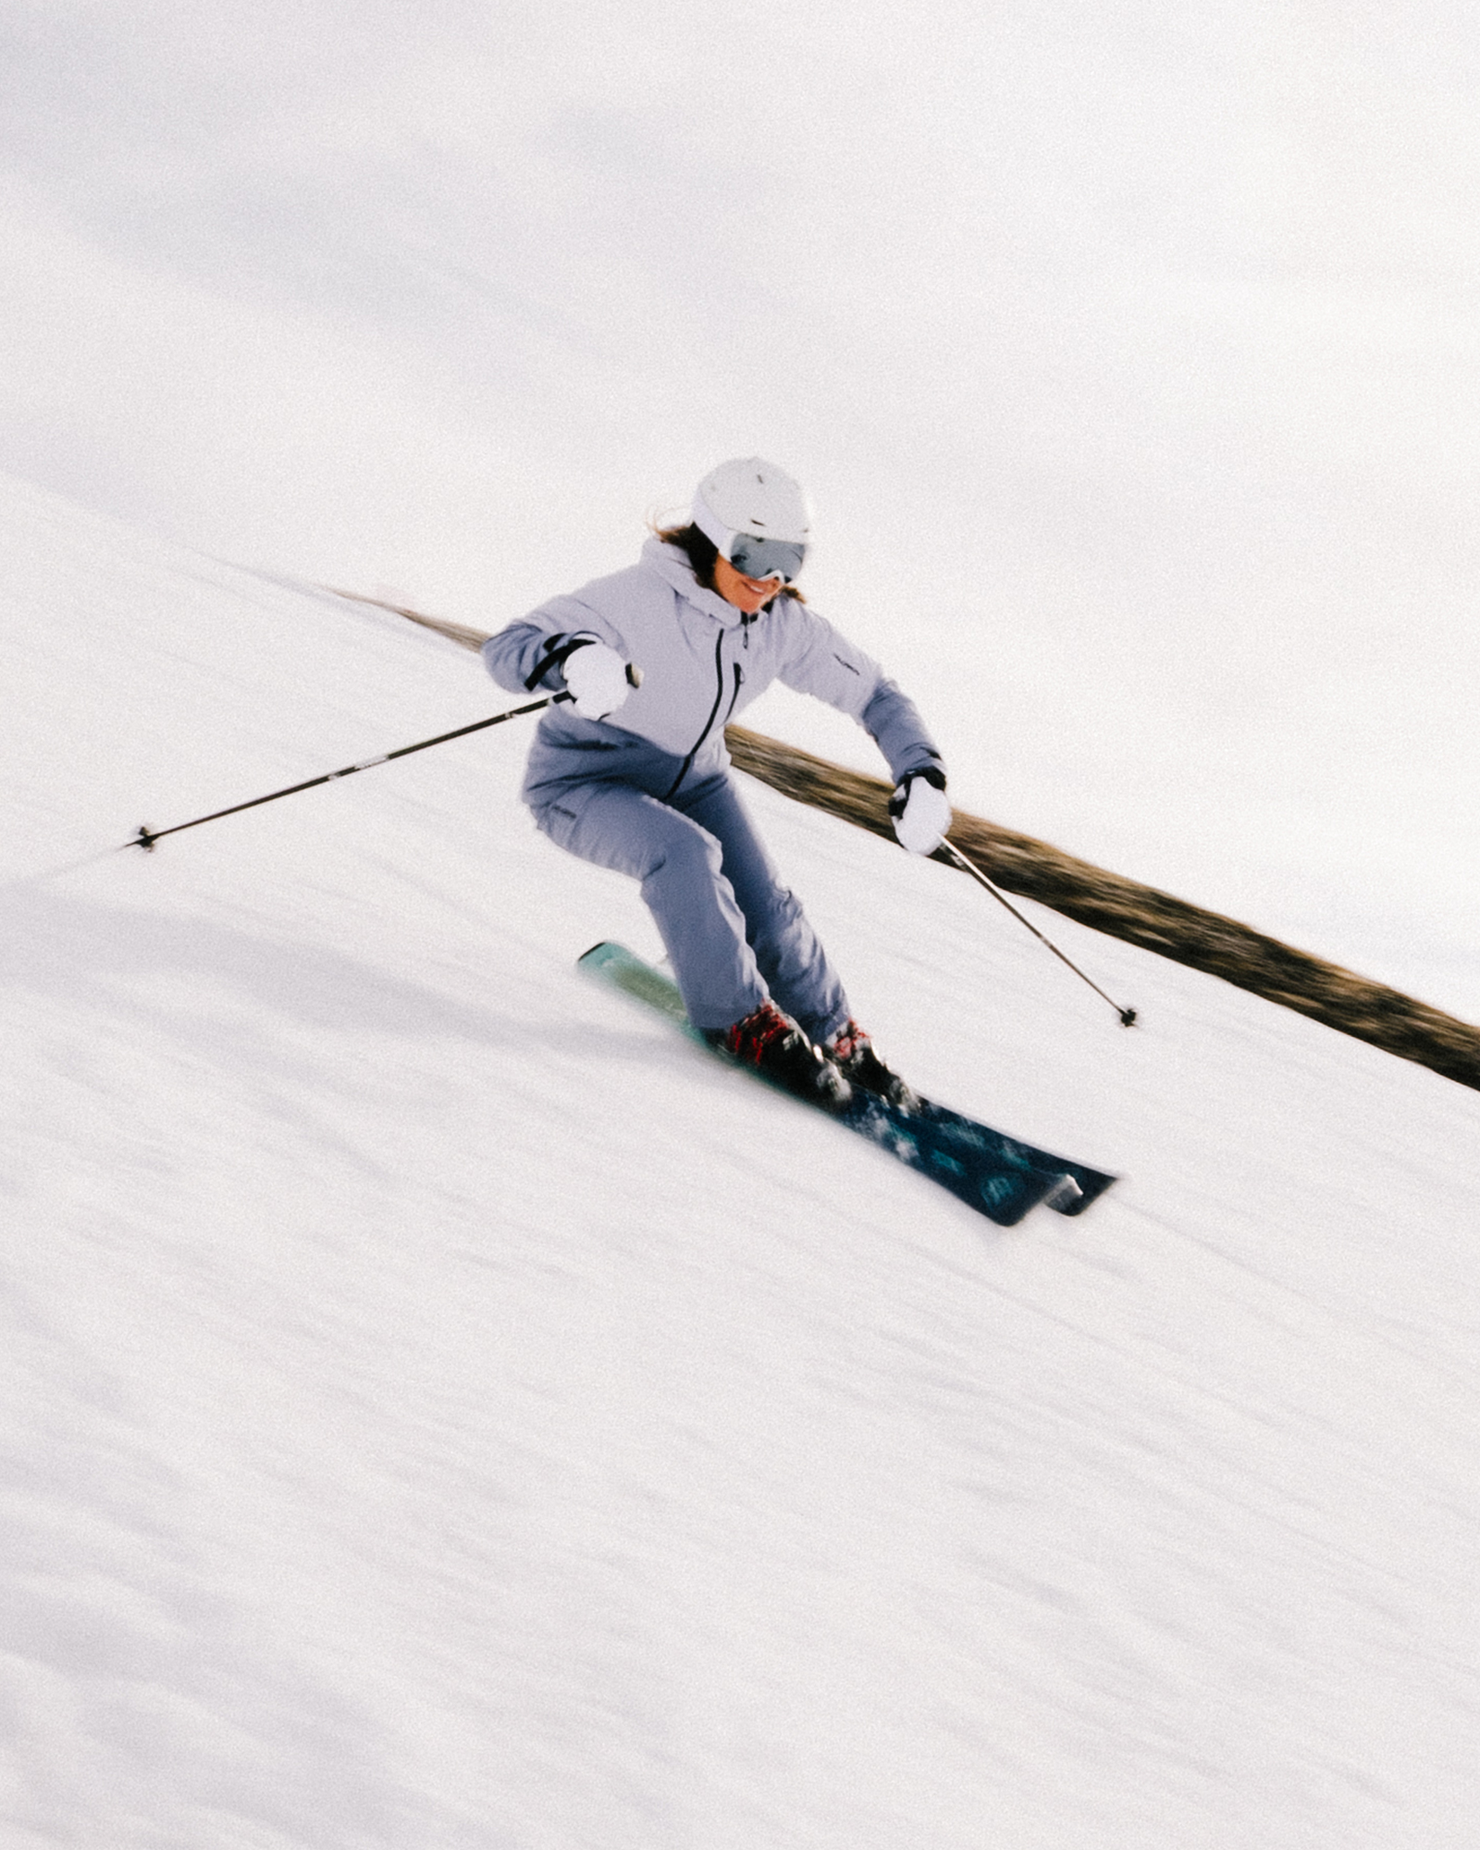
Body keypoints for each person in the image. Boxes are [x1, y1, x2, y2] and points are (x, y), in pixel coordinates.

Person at [481, 457, 952, 1114]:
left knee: (769, 907)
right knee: (686, 855)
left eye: (791, 558)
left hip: (698, 778)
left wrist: (920, 771)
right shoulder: (635, 599)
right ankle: (738, 1020)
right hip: (582, 782)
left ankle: (831, 1031)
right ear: (711, 537)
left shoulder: (782, 626)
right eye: (755, 552)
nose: (771, 577)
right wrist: (570, 659)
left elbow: (876, 693)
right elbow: (508, 647)